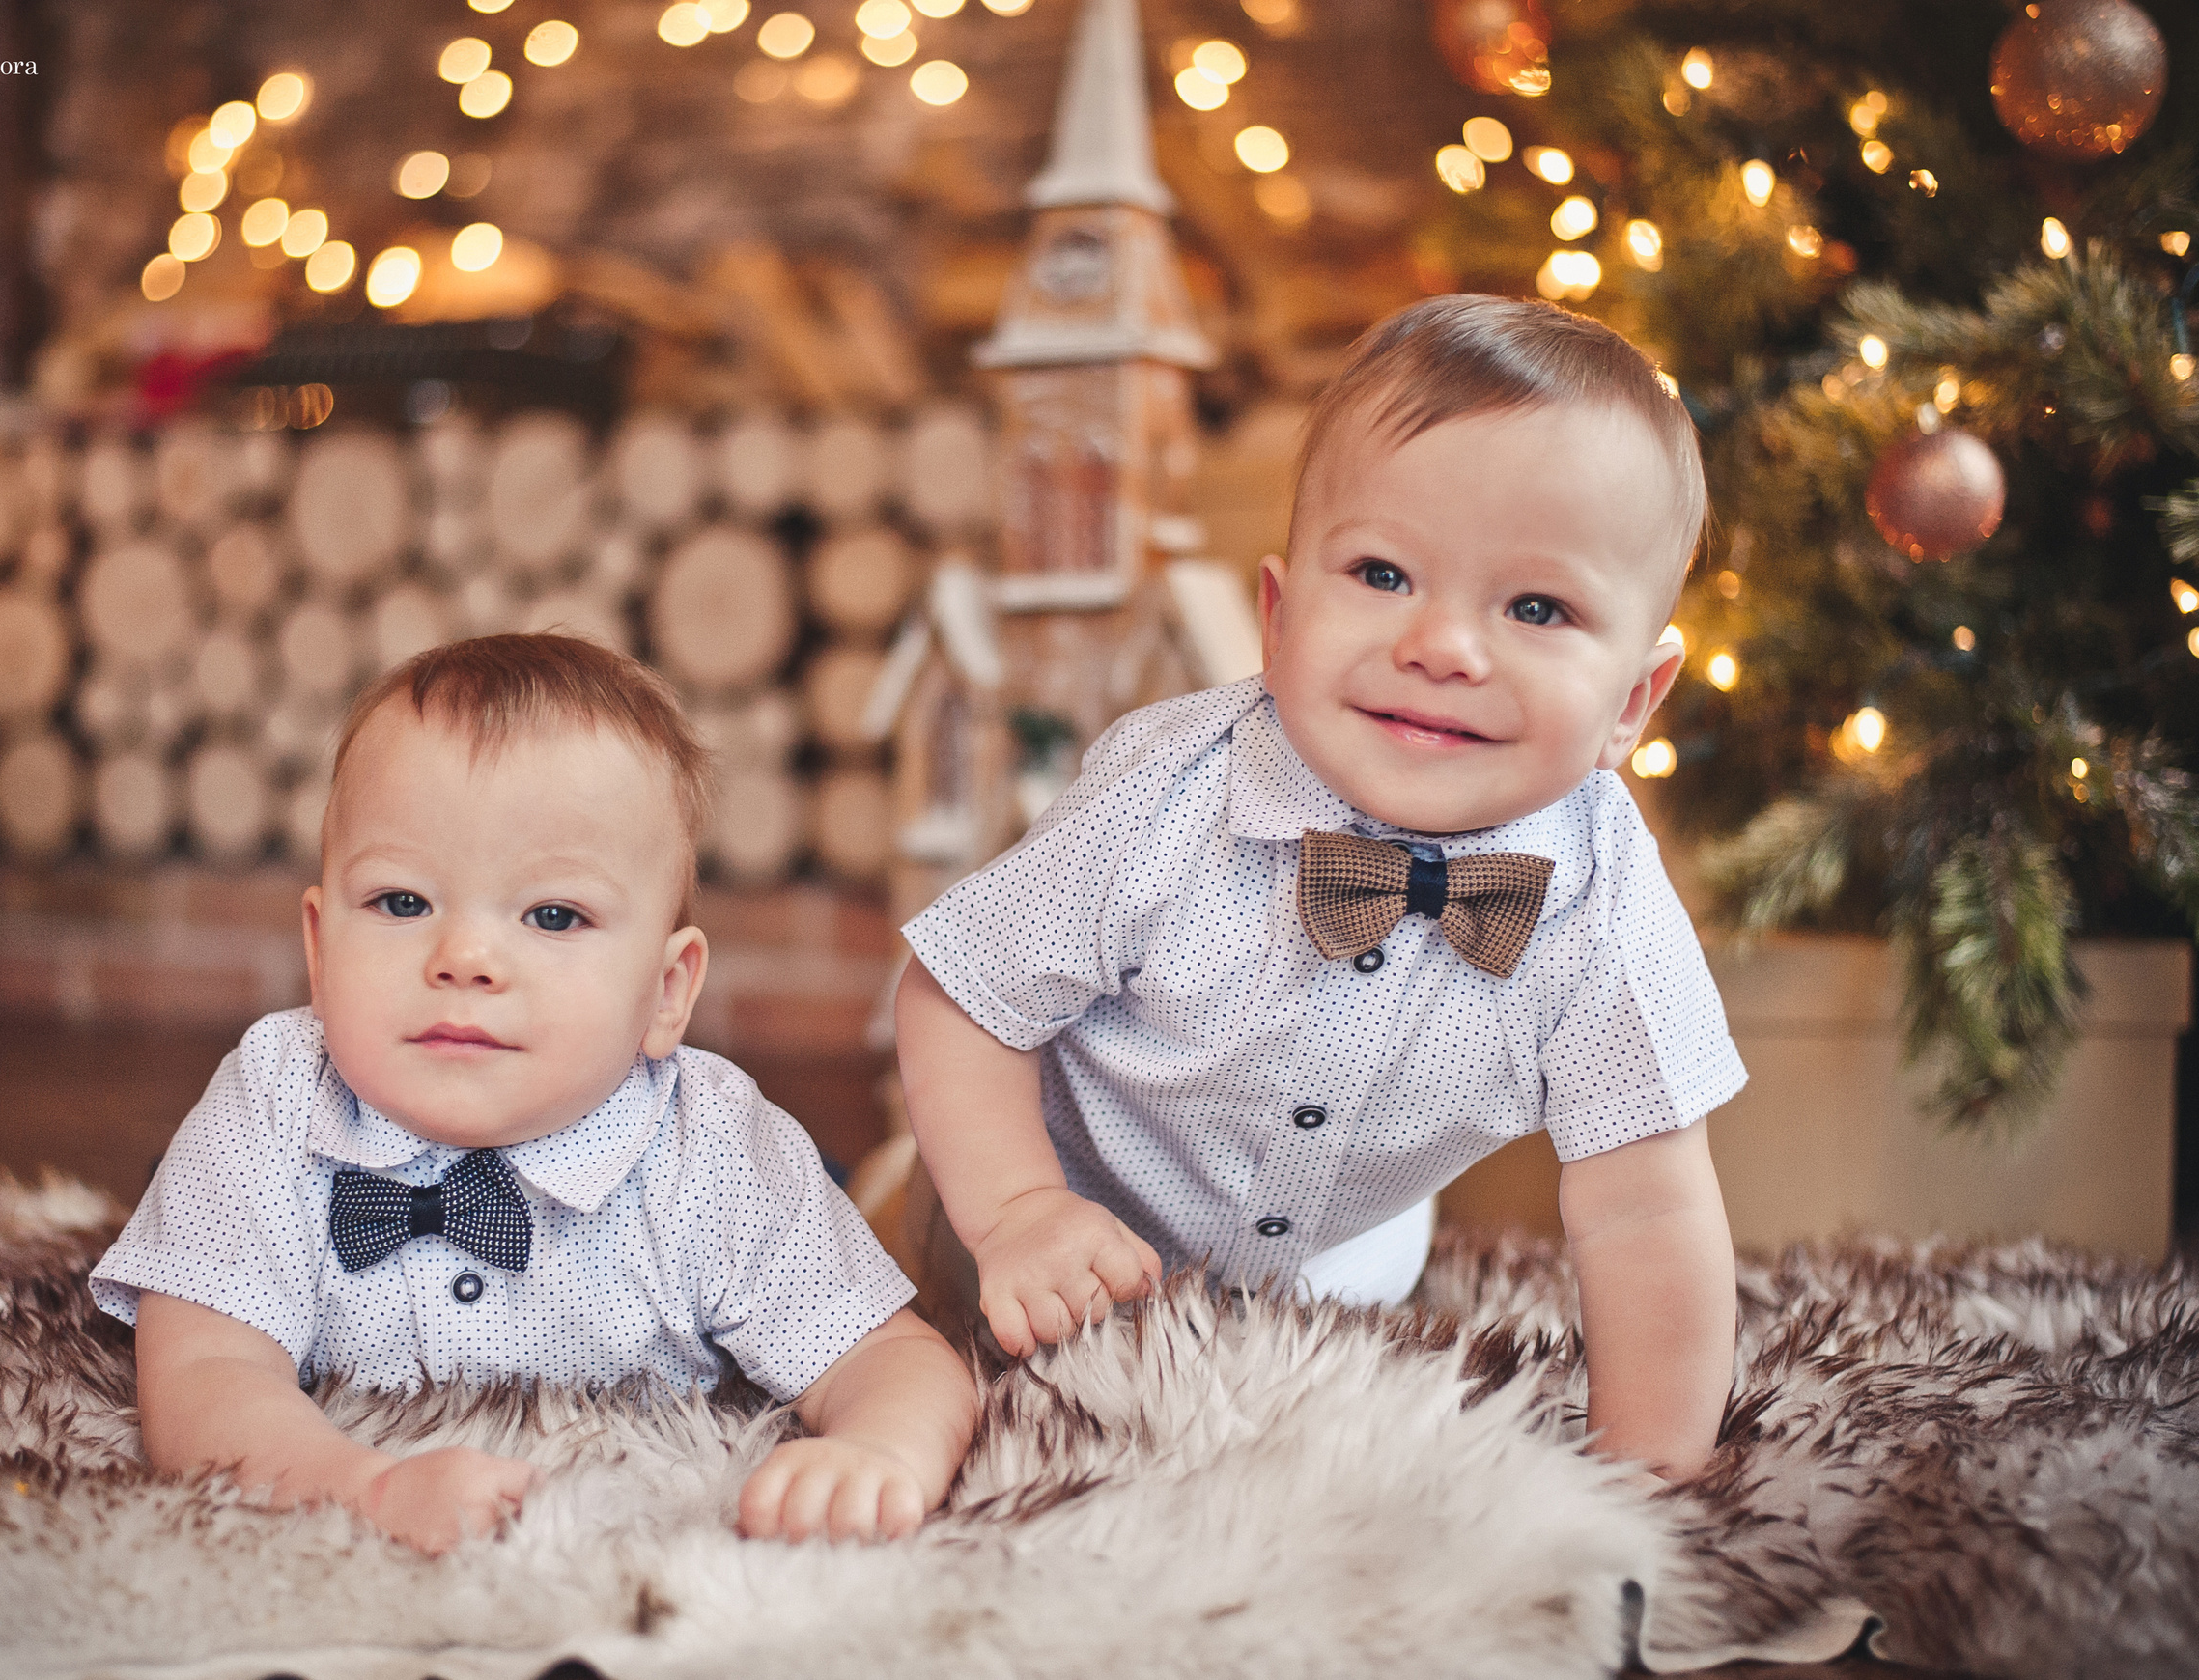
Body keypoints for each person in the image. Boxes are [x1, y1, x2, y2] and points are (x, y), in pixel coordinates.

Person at [895, 294, 1743, 1480]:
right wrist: (1015, 1210)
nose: (1444, 645)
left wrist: (1653, 1479)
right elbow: (960, 994)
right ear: (1280, 615)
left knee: (1293, 1474)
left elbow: (1647, 1210)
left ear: (1632, 705)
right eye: (1383, 573)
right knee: (951, 1377)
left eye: (1536, 607)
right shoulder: (1168, 798)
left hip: (1334, 1271)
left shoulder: (1603, 909)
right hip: (1056, 1210)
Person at [93, 634, 976, 1552]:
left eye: (553, 916)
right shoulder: (275, 1096)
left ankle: (872, 1181)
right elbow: (202, 1375)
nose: (466, 959)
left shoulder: (713, 1149)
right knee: (185, 1243)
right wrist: (365, 1488)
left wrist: (879, 1453)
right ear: (318, 950)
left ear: (667, 991)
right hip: (262, 1193)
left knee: (827, 1208)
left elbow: (894, 1358)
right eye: (401, 903)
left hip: (729, 1196)